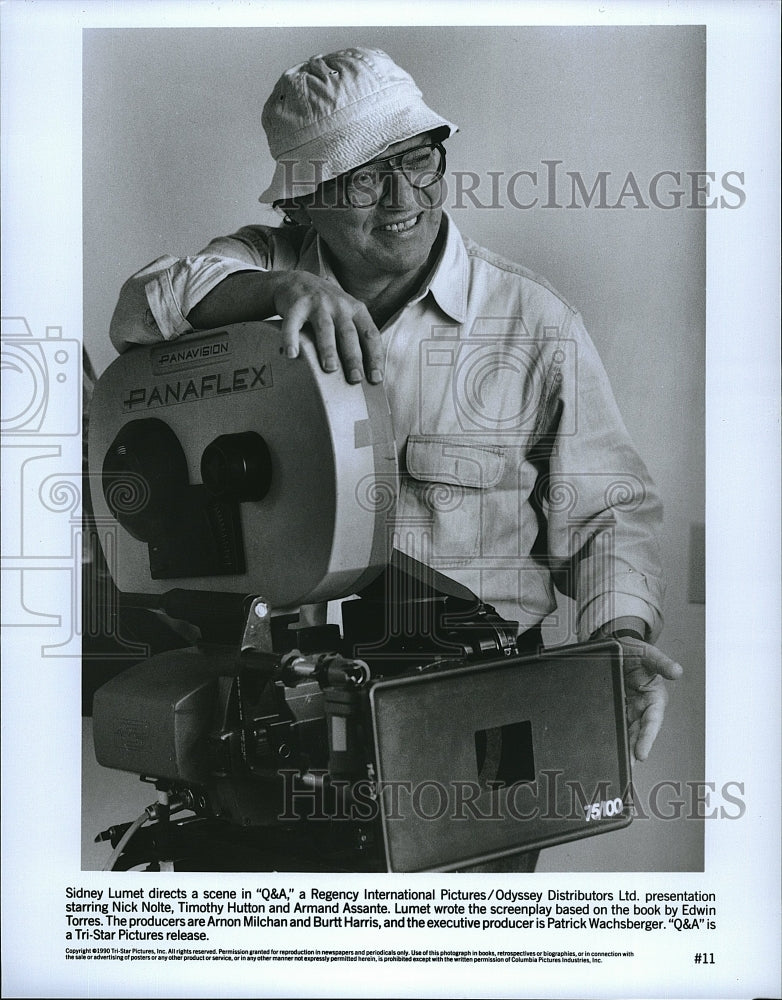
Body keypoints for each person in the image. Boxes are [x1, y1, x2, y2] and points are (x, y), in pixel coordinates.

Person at [109, 47, 683, 863]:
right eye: (363, 179)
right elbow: (139, 310)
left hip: (470, 719)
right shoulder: (254, 274)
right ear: (303, 203)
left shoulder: (531, 321)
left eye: (418, 160)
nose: (404, 199)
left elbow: (608, 515)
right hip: (280, 728)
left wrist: (618, 635)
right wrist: (273, 295)